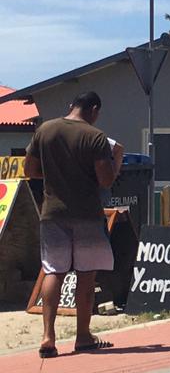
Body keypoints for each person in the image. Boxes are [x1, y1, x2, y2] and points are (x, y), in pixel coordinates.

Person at [23, 91, 124, 358]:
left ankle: (48, 336)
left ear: (70, 106)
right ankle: (82, 336)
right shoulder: (95, 136)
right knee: (86, 275)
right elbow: (105, 180)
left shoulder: (45, 130)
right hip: (87, 215)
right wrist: (117, 160)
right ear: (93, 109)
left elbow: (30, 170)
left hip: (52, 213)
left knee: (53, 271)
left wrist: (56, 174)